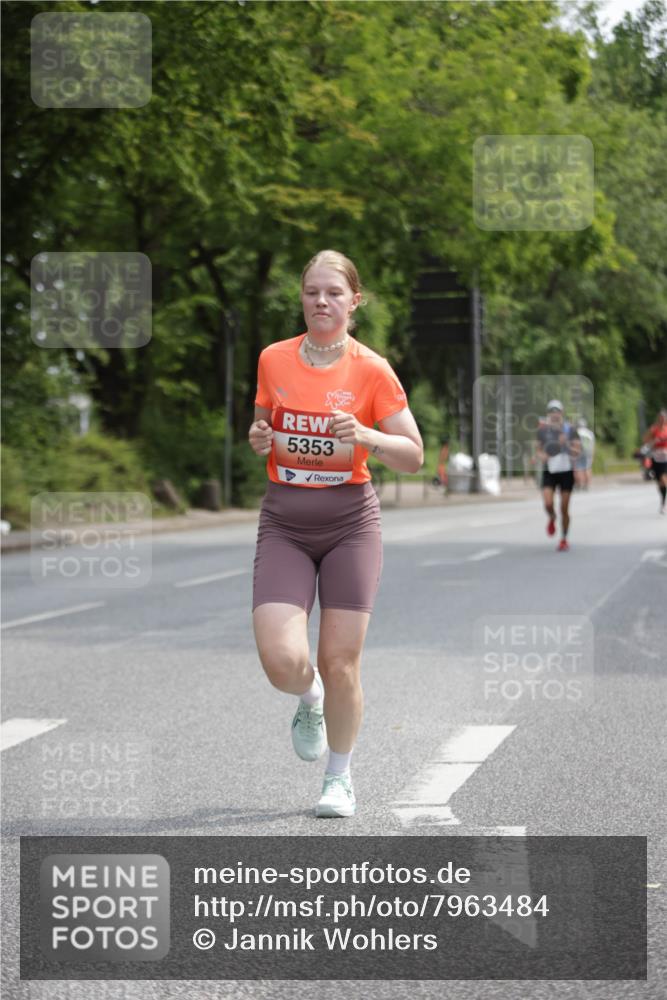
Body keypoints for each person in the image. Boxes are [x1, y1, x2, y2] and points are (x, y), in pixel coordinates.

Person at [248, 249, 423, 818]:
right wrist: (260, 438)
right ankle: (308, 700)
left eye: (332, 293)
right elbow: (267, 425)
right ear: (301, 298)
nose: (320, 301)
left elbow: (414, 456)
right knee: (281, 659)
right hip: (285, 520)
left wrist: (367, 436)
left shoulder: (372, 369)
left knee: (341, 660)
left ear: (354, 301)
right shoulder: (273, 359)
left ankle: (339, 778)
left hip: (350, 523)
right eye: (310, 292)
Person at [536, 400, 581, 551]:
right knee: (548, 503)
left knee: (564, 508)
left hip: (566, 471)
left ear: (561, 413)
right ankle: (552, 517)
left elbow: (577, 452)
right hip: (550, 470)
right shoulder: (543, 431)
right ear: (548, 414)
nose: (554, 414)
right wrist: (542, 456)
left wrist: (566, 444)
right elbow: (538, 450)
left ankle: (564, 538)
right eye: (551, 411)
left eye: (557, 411)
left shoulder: (570, 430)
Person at [643, 409, 667, 514]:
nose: (662, 421)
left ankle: (664, 503)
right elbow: (645, 440)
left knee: (663, 478)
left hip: (665, 456)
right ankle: (662, 502)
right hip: (656, 456)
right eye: (660, 419)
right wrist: (654, 441)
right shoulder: (654, 429)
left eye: (663, 419)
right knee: (659, 482)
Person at [574, 417, 595, 490]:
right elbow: (592, 445)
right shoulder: (590, 433)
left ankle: (579, 484)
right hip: (588, 452)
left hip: (579, 452)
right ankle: (587, 485)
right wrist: (592, 454)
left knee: (578, 468)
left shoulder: (577, 432)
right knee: (588, 468)